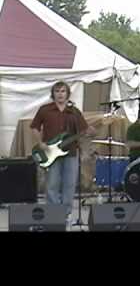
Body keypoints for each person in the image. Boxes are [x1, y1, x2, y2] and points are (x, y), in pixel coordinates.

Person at [31, 81, 95, 222]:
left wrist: (90, 132)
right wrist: (40, 143)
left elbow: (84, 130)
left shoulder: (74, 111)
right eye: (57, 91)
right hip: (50, 152)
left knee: (69, 183)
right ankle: (54, 213)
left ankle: (66, 213)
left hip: (71, 152)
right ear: (53, 94)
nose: (60, 94)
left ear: (67, 94)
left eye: (63, 91)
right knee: (52, 183)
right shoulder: (45, 110)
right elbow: (34, 127)